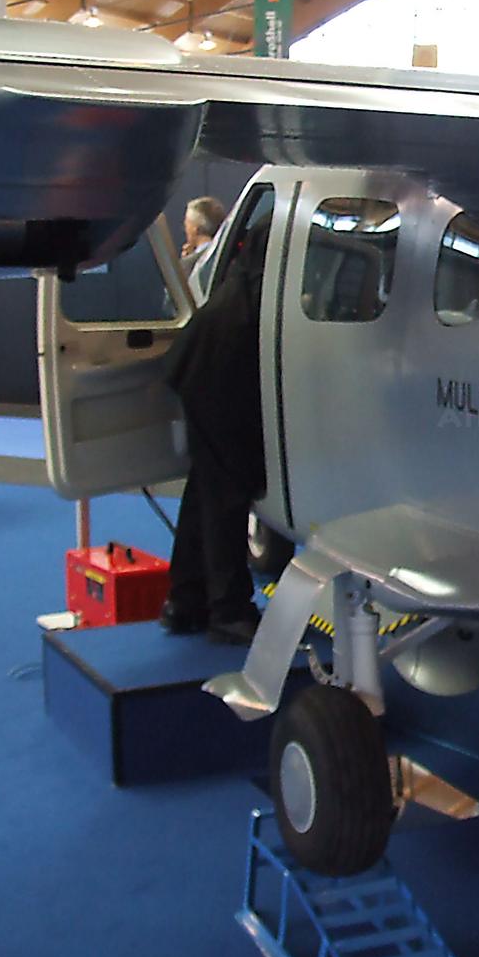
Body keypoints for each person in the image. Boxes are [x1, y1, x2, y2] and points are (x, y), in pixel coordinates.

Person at [160, 214, 280, 645]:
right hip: (216, 382)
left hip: (202, 373)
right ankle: (228, 611)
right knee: (226, 496)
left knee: (205, 493)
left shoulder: (249, 277)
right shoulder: (263, 286)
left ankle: (186, 600)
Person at [181, 196, 227, 279]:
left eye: (187, 224)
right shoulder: (227, 253)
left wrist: (186, 262)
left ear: (196, 229)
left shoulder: (188, 265)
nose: (185, 228)